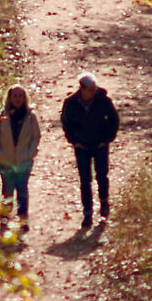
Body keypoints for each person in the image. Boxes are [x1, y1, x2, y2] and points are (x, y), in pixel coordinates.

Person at [60, 72, 120, 230]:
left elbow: (114, 120)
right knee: (85, 180)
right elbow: (66, 123)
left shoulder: (104, 101)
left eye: (94, 88)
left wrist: (107, 139)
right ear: (82, 89)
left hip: (100, 145)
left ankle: (104, 202)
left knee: (102, 176)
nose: (93, 91)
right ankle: (87, 212)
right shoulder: (71, 103)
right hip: (82, 147)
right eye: (90, 89)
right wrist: (74, 141)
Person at [0, 85, 40, 230]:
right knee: (7, 190)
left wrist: (30, 152)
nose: (18, 99)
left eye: (20, 96)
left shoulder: (30, 117)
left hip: (24, 160)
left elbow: (36, 136)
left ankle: (23, 220)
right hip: (5, 161)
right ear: (10, 98)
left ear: (25, 98)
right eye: (15, 96)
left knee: (22, 190)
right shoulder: (1, 116)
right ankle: (4, 219)